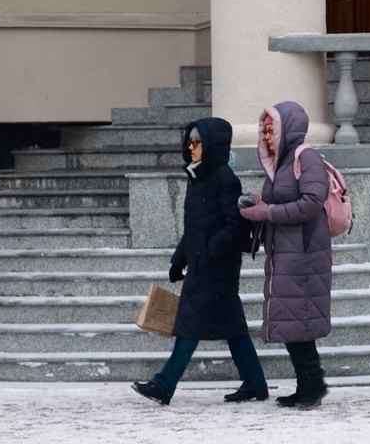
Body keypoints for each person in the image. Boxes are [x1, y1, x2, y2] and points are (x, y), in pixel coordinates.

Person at [132, 118, 267, 405]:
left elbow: (236, 226)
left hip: (217, 267)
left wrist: (209, 250)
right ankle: (255, 382)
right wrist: (178, 260)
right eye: (189, 142)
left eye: (197, 143)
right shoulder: (198, 178)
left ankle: (164, 385)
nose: (190, 147)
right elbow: (194, 228)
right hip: (202, 263)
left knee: (189, 323)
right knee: (233, 328)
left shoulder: (225, 179)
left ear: (212, 145)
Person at [239, 101, 333, 409]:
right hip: (287, 252)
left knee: (298, 319)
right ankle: (310, 384)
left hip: (303, 254)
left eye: (272, 130)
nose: (267, 137)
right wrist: (255, 201)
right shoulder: (281, 163)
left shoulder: (306, 157)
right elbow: (283, 199)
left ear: (287, 129)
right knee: (294, 320)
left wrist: (267, 211)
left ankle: (312, 385)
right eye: (264, 131)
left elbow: (310, 203)